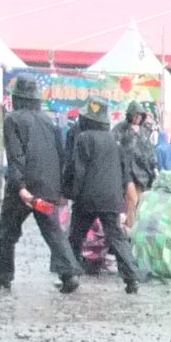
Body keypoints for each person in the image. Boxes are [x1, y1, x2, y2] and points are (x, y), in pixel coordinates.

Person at [0, 75, 80, 294]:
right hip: (48, 187)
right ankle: (69, 274)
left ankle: (3, 275)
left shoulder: (13, 120)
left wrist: (20, 187)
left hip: (23, 187)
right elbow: (61, 155)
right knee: (53, 232)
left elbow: (15, 156)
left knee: (7, 232)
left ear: (17, 98)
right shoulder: (49, 121)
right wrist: (59, 189)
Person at [61, 99, 140, 294]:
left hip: (87, 197)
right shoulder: (113, 140)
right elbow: (123, 170)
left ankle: (70, 275)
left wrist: (71, 193)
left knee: (75, 238)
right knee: (117, 238)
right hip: (111, 199)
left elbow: (77, 169)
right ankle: (132, 278)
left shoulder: (84, 138)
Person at [114, 103, 158, 224]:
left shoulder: (144, 131)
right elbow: (115, 146)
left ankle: (132, 225)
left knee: (139, 202)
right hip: (126, 170)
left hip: (142, 171)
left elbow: (149, 150)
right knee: (132, 199)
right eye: (136, 115)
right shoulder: (120, 129)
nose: (138, 118)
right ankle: (131, 228)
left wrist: (154, 167)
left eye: (140, 116)